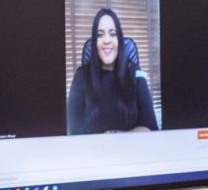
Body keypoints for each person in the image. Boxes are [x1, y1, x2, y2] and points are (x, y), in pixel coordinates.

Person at [67, 7, 158, 135]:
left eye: (113, 34)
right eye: (100, 35)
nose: (107, 40)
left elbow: (151, 129)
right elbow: (73, 132)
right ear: (94, 42)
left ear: (119, 40)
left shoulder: (135, 72)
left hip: (131, 148)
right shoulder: (81, 76)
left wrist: (113, 134)